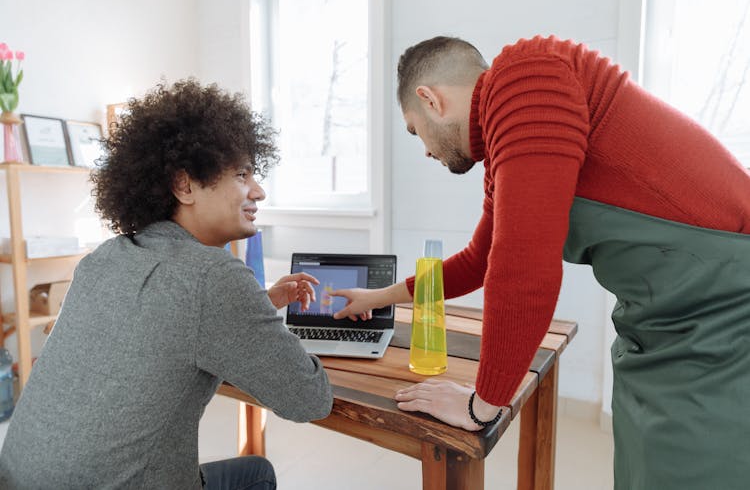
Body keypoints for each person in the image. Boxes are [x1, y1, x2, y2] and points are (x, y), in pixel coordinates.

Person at [330, 35, 750, 489]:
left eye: (416, 132)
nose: (426, 151)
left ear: (430, 100)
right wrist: (378, 296)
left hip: (726, 311)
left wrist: (482, 404)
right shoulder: (505, 148)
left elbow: (522, 267)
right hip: (670, 321)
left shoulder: (526, 77)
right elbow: (479, 260)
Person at [0, 79, 333, 489]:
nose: (258, 191)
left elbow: (153, 327)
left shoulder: (104, 257)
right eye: (243, 174)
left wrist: (258, 304)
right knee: (257, 473)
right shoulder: (214, 277)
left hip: (17, 478)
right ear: (183, 185)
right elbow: (310, 400)